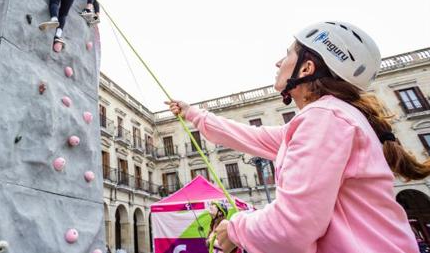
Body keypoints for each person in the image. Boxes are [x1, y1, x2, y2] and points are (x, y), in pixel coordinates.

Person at [167, 21, 425, 253]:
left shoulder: (325, 118)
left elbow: (290, 228)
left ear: (307, 67)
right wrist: (193, 114)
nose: (278, 63)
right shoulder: (328, 118)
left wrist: (234, 229)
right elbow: (251, 137)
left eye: (288, 53)